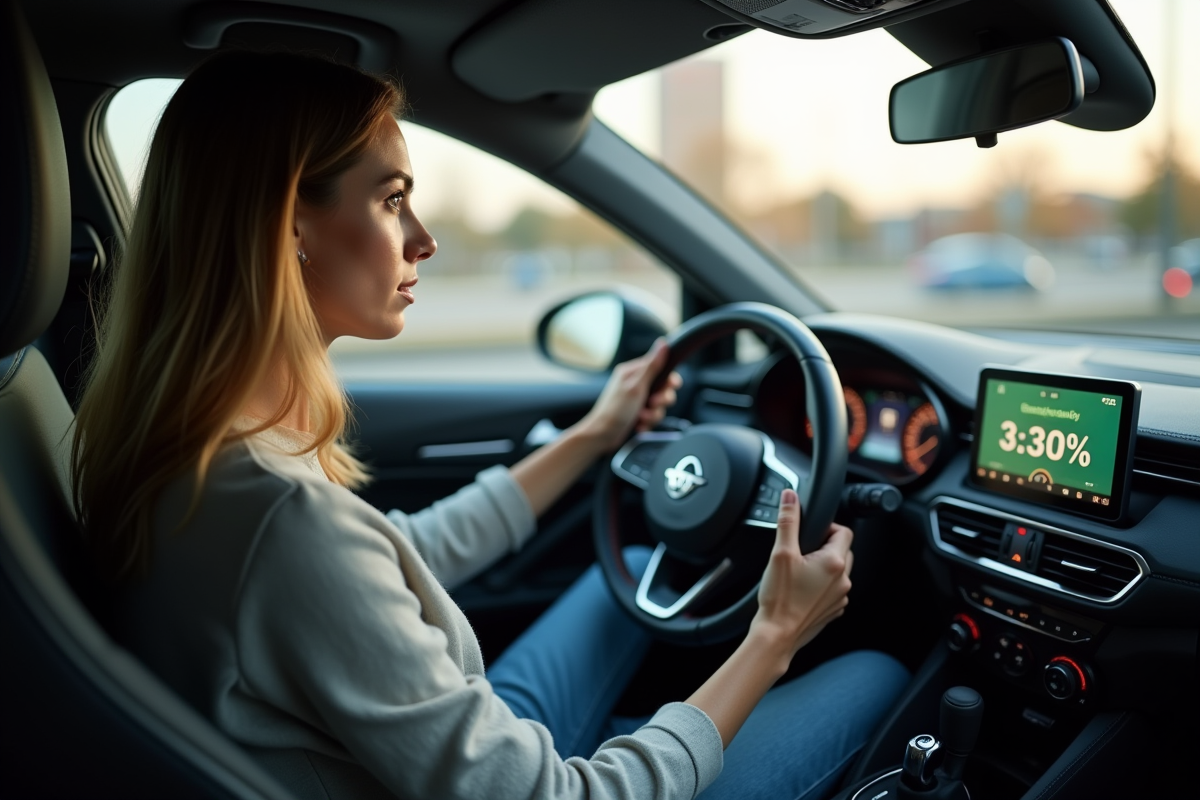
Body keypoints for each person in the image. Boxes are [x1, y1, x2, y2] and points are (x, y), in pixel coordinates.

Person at [72, 50, 909, 800]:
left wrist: (589, 439)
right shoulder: (282, 519)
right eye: (392, 199)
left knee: (620, 585)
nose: (424, 240)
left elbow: (386, 567)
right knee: (874, 673)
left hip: (436, 754)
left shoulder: (190, 448)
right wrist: (773, 635)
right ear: (288, 223)